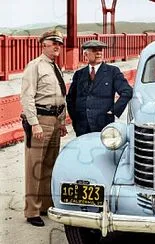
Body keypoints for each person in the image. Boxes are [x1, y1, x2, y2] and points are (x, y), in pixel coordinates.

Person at [20, 30, 68, 227]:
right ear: (43, 45)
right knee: (35, 167)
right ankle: (31, 211)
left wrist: (62, 121)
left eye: (59, 43)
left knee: (50, 165)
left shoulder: (56, 67)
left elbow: (60, 96)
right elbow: (27, 97)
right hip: (41, 120)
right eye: (53, 42)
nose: (57, 46)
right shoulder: (35, 66)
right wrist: (34, 124)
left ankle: (44, 205)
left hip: (55, 121)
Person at [66, 40, 133, 136]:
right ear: (85, 54)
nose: (98, 53)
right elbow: (70, 98)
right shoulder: (79, 74)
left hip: (103, 125)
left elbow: (127, 92)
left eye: (100, 50)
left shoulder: (112, 71)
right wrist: (76, 118)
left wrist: (113, 111)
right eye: (94, 50)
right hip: (82, 127)